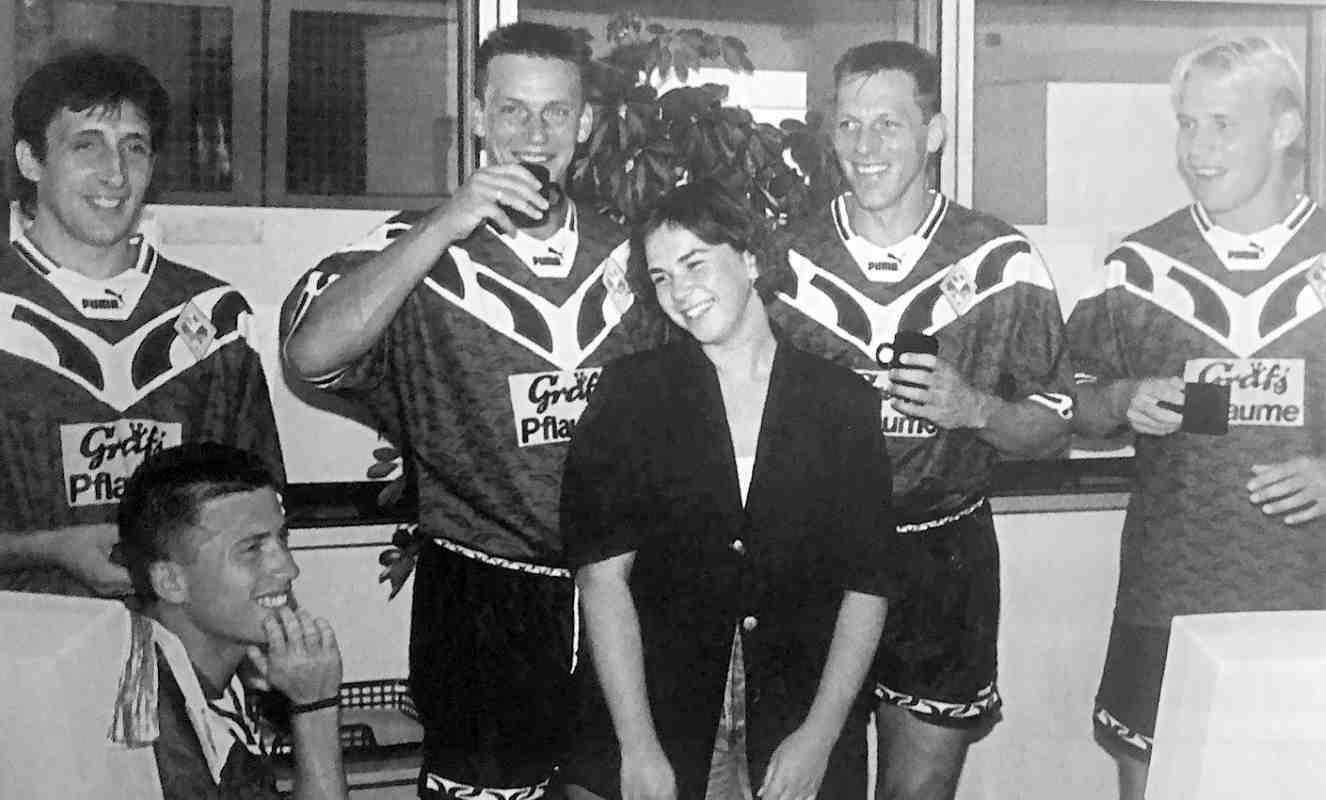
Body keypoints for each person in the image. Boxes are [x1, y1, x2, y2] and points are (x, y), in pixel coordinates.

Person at [280, 21, 664, 799]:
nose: (535, 133)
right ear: (480, 119)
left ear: (586, 124)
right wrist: (450, 222)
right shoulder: (413, 248)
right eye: (513, 111)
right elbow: (310, 353)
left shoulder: (635, 254)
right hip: (482, 592)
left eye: (556, 112)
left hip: (622, 588)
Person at [769, 41, 1074, 800]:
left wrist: (975, 409)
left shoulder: (1000, 260)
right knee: (808, 786)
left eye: (888, 124)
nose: (864, 146)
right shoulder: (781, 260)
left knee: (918, 792)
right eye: (848, 125)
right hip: (814, 558)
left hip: (942, 556)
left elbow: (1053, 429)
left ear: (933, 132)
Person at [562, 180, 896, 800]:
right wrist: (638, 747)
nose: (680, 291)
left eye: (695, 263)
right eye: (661, 277)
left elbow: (868, 584)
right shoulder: (630, 395)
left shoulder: (840, 401)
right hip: (660, 713)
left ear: (750, 259)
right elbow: (601, 579)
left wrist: (820, 736)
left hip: (797, 712)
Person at [1067, 33, 1325, 800]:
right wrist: (1121, 399)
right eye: (1187, 124)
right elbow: (1068, 401)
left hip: (1308, 595)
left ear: (1285, 128)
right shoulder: (1140, 267)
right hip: (1170, 595)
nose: (1199, 149)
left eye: (1223, 125)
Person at [0, 49, 283, 597]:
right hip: (24, 638)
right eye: (86, 145)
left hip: (178, 639)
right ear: (30, 160)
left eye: (134, 147)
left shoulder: (212, 318)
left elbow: (257, 513)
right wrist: (49, 548)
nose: (115, 173)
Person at [117, 442, 346, 800]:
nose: (288, 568)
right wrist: (314, 707)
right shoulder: (155, 730)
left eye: (282, 539)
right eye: (252, 549)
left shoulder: (202, 676)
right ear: (171, 582)